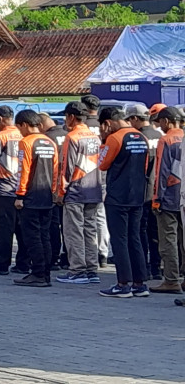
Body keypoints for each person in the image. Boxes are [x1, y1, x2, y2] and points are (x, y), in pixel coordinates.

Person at [98, 107, 151, 298]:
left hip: (118, 196)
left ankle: (122, 284)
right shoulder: (141, 137)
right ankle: (140, 283)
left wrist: (103, 142)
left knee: (119, 239)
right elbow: (145, 166)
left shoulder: (114, 138)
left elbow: (102, 164)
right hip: (138, 195)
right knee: (134, 238)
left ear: (107, 123)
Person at [55, 102, 103, 285]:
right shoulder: (95, 137)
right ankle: (92, 269)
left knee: (73, 232)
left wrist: (61, 192)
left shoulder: (72, 137)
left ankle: (77, 270)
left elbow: (66, 168)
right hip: (94, 190)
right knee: (90, 231)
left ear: (71, 117)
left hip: (76, 191)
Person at [0, 106, 30, 276]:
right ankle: (23, 263)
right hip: (22, 188)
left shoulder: (1, 136)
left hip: (3, 188)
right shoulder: (23, 134)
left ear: (0, 119)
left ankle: (2, 264)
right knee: (22, 228)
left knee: (3, 228)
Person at [13, 110, 59, 288]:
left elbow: (23, 171)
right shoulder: (50, 141)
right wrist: (54, 192)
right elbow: (56, 170)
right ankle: (45, 273)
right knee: (45, 235)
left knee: (32, 237)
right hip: (47, 195)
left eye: (19, 128)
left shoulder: (26, 142)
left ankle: (38, 273)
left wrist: (20, 195)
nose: (19, 132)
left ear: (24, 124)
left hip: (31, 196)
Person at [128, 103, 163, 280]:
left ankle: (144, 268)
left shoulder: (137, 137)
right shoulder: (160, 135)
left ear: (135, 119)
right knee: (155, 232)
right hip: (158, 191)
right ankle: (157, 268)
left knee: (140, 231)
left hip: (142, 192)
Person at [151, 107, 184, 294]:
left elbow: (161, 172)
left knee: (168, 240)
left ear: (166, 121)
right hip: (183, 196)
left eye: (160, 122)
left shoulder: (166, 140)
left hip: (169, 197)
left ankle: (171, 279)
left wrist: (157, 198)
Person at [82, 94, 110, 267]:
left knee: (85, 217)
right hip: (103, 173)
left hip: (84, 175)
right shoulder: (104, 126)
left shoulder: (81, 127)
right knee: (101, 216)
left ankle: (87, 253)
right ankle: (103, 252)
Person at [40, 113, 68, 272]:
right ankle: (67, 257)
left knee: (52, 225)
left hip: (52, 188)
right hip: (71, 188)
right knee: (68, 227)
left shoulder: (46, 139)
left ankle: (53, 258)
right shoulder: (67, 135)